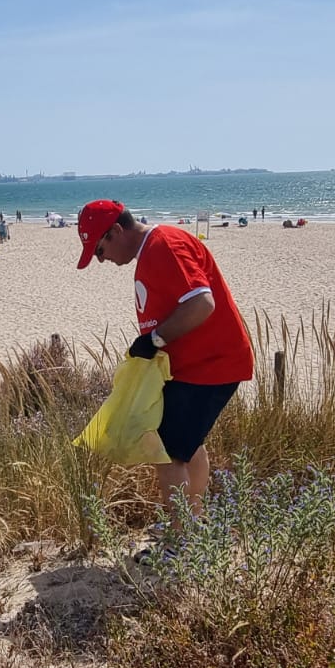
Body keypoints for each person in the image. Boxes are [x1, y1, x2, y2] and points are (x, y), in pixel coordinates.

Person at [76, 199, 254, 528]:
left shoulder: (164, 246)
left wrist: (155, 339)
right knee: (186, 446)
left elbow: (202, 303)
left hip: (210, 365)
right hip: (192, 366)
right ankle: (193, 523)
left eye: (100, 251)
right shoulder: (150, 252)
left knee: (167, 452)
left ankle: (180, 539)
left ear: (116, 231)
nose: (102, 261)